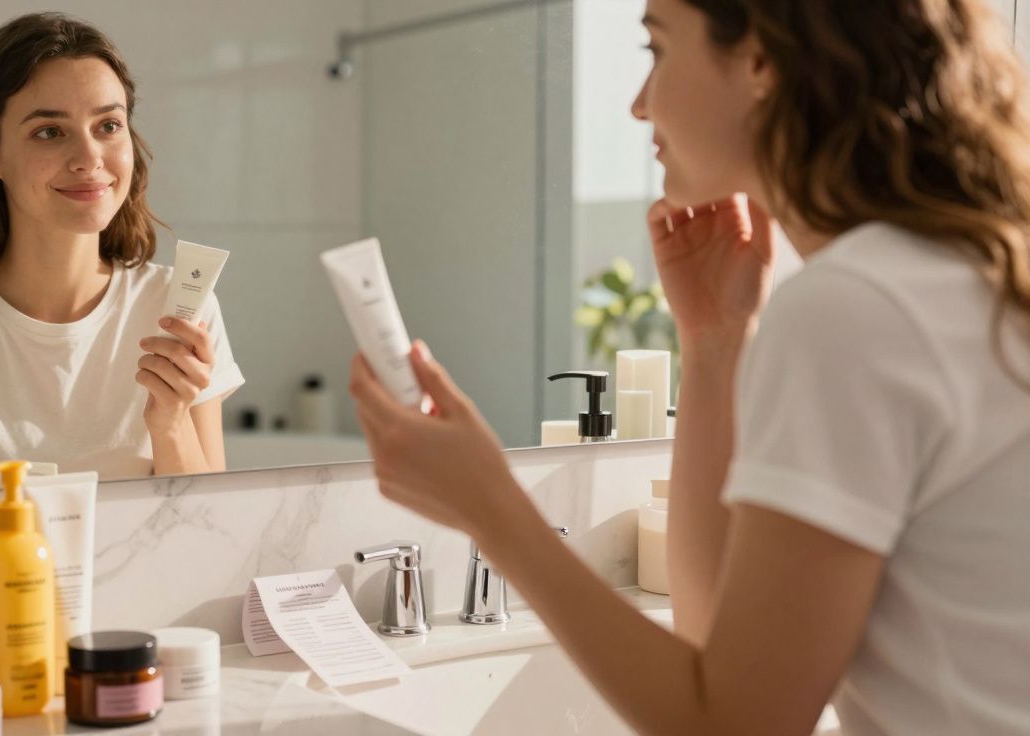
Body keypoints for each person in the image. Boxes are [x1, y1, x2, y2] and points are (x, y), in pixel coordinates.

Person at [350, 1, 1030, 734]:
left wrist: (493, 513)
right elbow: (717, 642)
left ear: (762, 61)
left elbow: (734, 726)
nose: (638, 104)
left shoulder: (858, 307)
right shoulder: (951, 276)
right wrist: (714, 344)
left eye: (657, 49)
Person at [0, 13, 243, 489]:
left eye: (108, 125)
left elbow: (212, 532)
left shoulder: (177, 310)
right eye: (50, 132)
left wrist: (172, 421)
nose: (89, 158)